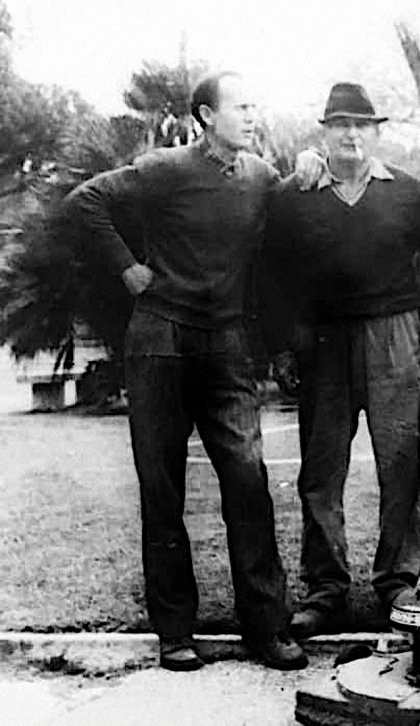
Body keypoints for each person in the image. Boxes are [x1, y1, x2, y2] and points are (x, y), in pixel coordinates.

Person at [66, 72, 306, 671]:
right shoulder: (167, 168)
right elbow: (86, 201)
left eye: (256, 104)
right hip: (160, 339)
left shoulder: (261, 179)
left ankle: (267, 628)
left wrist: (307, 167)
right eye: (241, 106)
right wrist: (126, 267)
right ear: (206, 115)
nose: (253, 115)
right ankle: (175, 632)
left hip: (227, 343)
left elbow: (292, 226)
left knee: (249, 481)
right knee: (163, 487)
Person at [262, 82, 420, 638]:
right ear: (323, 132)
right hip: (322, 342)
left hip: (394, 336)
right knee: (322, 470)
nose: (350, 134)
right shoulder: (293, 197)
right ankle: (326, 588)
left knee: (400, 462)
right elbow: (270, 275)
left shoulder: (408, 193)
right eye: (340, 124)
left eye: (361, 125)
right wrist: (281, 343)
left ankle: (398, 579)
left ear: (376, 133)